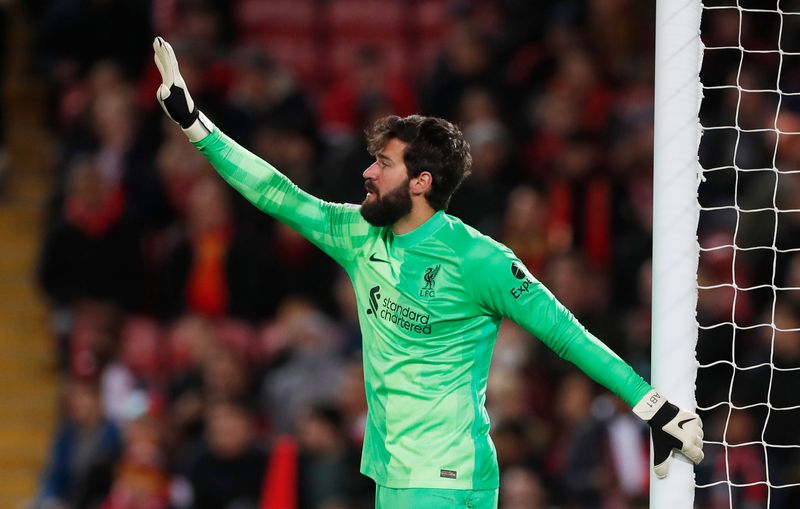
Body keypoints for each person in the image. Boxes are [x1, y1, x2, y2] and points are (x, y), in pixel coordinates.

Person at [152, 37, 704, 509]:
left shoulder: (479, 260)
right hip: (395, 470)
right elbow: (278, 194)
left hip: (444, 475)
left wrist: (648, 404)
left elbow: (564, 332)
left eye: (383, 164)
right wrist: (195, 124)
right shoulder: (355, 233)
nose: (367, 172)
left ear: (420, 183)